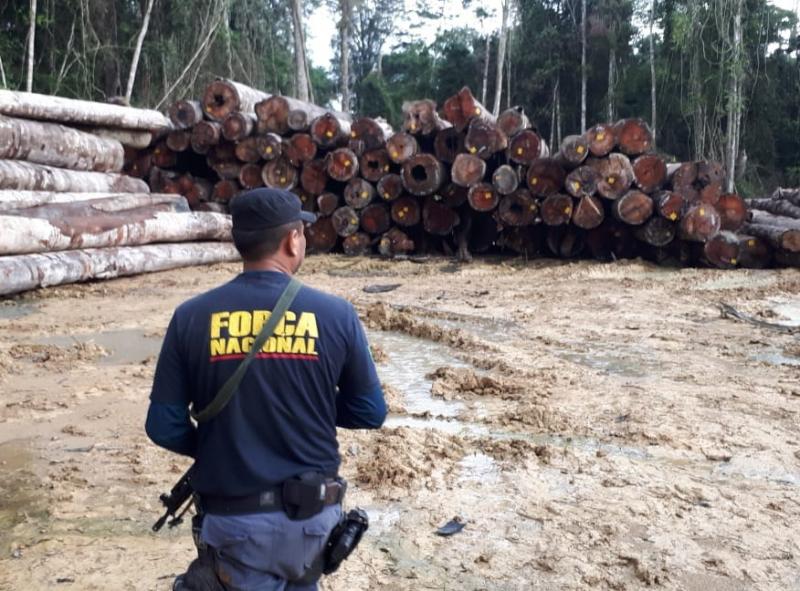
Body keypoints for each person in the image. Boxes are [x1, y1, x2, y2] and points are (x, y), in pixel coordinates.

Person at [145, 188, 387, 590]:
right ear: (293, 240)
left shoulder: (191, 316)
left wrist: (224, 443)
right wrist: (307, 407)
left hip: (233, 526)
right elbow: (369, 411)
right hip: (312, 527)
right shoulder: (336, 314)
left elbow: (162, 425)